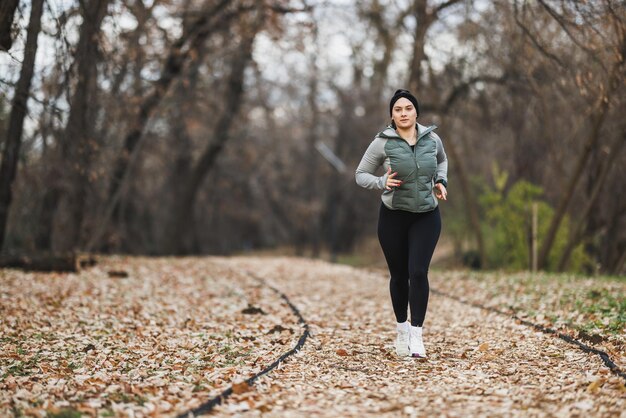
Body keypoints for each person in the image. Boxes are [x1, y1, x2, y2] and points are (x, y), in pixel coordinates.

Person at [355, 89, 448, 358]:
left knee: (418, 272)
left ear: (416, 112)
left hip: (427, 215)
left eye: (408, 108)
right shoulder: (382, 143)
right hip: (393, 216)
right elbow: (360, 174)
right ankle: (401, 329)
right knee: (399, 276)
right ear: (392, 115)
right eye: (398, 110)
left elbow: (442, 161)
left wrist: (441, 182)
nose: (404, 113)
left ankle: (417, 335)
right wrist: (381, 182)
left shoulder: (432, 139)